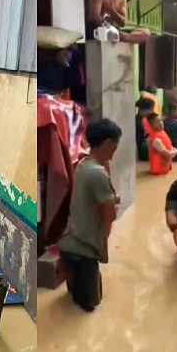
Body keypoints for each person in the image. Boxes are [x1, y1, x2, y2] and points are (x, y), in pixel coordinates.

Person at [59, 118, 121, 312]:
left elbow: (100, 197)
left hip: (70, 243)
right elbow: (109, 215)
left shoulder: (83, 164)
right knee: (92, 305)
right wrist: (106, 230)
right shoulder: (97, 174)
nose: (116, 149)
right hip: (84, 250)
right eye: (115, 144)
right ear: (108, 144)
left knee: (75, 299)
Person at [135, 97, 156, 162]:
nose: (152, 112)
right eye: (151, 109)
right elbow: (138, 141)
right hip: (141, 151)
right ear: (145, 110)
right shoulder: (138, 123)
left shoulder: (141, 120)